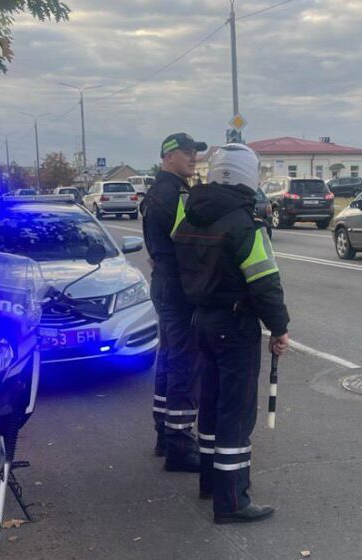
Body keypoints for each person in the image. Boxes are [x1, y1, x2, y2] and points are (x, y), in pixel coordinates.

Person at [173, 143, 291, 524]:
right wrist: (279, 327)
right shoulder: (244, 224)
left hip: (200, 322)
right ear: (248, 176)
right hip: (234, 326)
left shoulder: (189, 217)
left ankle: (210, 482)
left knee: (210, 403)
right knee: (236, 413)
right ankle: (232, 501)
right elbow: (265, 283)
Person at [142, 132, 207, 472]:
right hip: (180, 286)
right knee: (185, 362)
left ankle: (163, 433)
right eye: (186, 152)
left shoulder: (156, 191)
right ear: (168, 157)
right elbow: (192, 244)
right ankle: (180, 443)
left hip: (164, 282)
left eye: (195, 152)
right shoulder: (177, 194)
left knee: (167, 358)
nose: (193, 158)